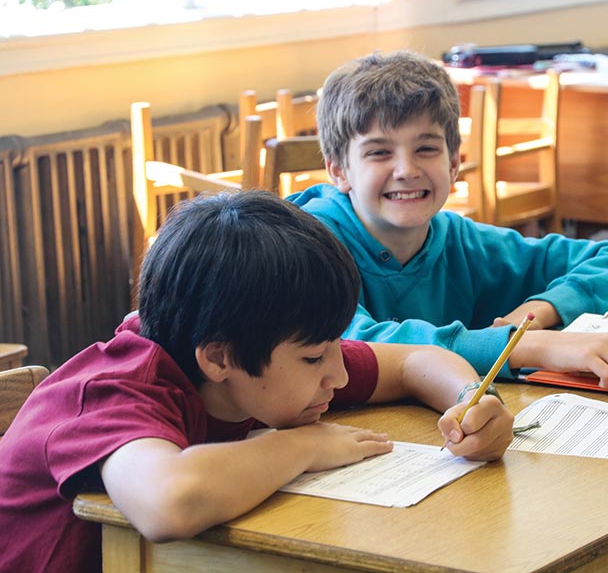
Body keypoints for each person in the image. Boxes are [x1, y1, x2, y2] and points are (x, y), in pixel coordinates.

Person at [0, 190, 513, 573]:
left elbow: (414, 361)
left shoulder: (252, 353)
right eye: (315, 358)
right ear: (219, 359)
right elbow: (169, 503)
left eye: (336, 345)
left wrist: (473, 400)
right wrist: (305, 445)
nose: (337, 373)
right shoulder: (113, 391)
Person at [288, 50, 608, 391]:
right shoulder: (303, 248)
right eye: (378, 152)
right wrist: (523, 346)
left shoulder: (460, 240)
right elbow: (352, 346)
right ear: (339, 171)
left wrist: (538, 312)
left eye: (426, 149)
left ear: (454, 163)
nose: (406, 169)